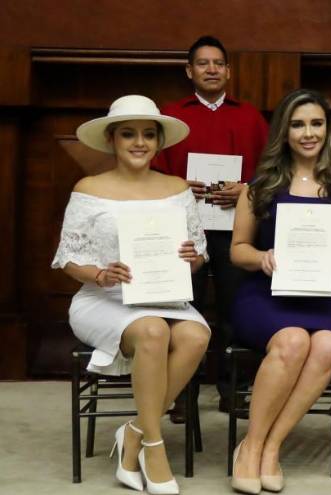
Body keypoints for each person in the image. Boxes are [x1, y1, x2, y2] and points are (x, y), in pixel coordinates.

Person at [52, 95, 211, 494]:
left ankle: (135, 432)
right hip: (103, 300)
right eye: (128, 134)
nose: (139, 142)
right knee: (154, 331)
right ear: (112, 140)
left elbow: (197, 256)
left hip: (163, 294)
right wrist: (102, 274)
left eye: (147, 134)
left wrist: (191, 257)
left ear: (158, 141)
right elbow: (68, 259)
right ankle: (153, 447)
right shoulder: (88, 188)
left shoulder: (177, 188)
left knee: (196, 335)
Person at [228, 89, 331, 494]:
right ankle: (250, 448)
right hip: (267, 295)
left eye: (317, 124)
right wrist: (263, 258)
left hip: (327, 296)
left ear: (328, 130)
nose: (309, 133)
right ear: (284, 131)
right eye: (298, 124)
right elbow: (238, 250)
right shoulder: (260, 186)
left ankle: (271, 446)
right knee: (291, 342)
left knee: (326, 346)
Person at [154, 35, 269, 419]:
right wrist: (180, 186)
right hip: (184, 229)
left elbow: (270, 173)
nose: (211, 69)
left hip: (235, 229)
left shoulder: (250, 116)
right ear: (190, 71)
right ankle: (182, 391)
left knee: (234, 308)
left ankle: (232, 388)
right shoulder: (171, 117)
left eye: (218, 63)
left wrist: (245, 188)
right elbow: (152, 173)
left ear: (229, 71)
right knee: (187, 306)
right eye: (202, 63)